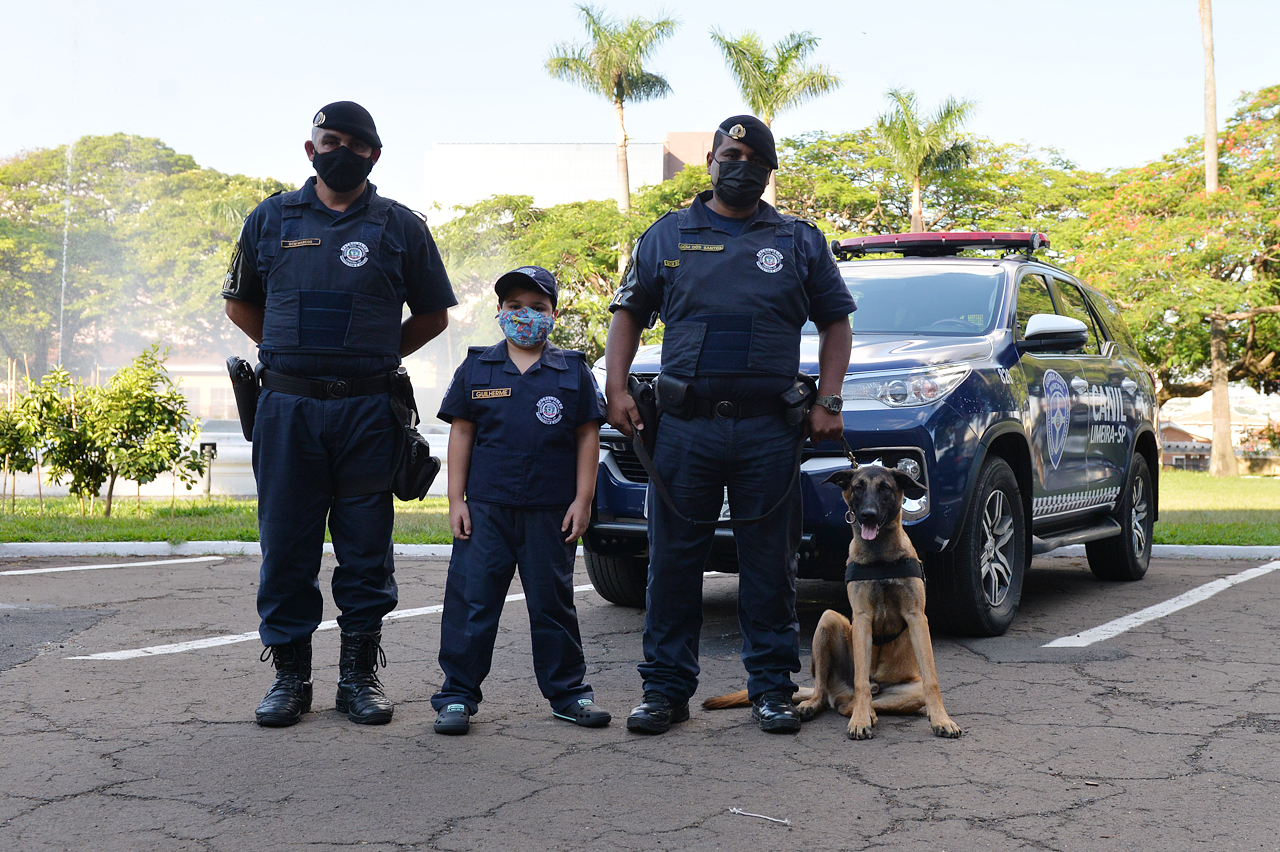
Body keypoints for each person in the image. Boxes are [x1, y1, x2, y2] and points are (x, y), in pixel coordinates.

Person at [604, 115, 855, 734]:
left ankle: (772, 688)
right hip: (686, 429)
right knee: (673, 564)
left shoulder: (798, 241)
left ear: (768, 171)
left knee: (770, 565)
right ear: (710, 161)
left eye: (751, 157)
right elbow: (629, 315)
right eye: (727, 154)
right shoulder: (668, 234)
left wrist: (829, 399)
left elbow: (836, 324)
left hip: (769, 428)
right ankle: (664, 691)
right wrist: (615, 387)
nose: (737, 165)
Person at [223, 101, 456, 728]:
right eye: (332, 140)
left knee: (364, 546)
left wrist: (375, 357)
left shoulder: (400, 226)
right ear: (309, 148)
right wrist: (285, 351)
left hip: (367, 410)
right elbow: (239, 304)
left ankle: (358, 675)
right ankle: (290, 678)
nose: (343, 151)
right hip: (288, 407)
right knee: (288, 543)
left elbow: (433, 316)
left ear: (374, 155)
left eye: (357, 144)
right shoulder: (270, 219)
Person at [430, 265, 611, 735]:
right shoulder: (477, 366)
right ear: (499, 312)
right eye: (514, 307)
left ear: (554, 313)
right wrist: (456, 502)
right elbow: (461, 435)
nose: (525, 316)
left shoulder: (571, 370)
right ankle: (456, 696)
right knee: (473, 601)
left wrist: (583, 501)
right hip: (486, 510)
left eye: (537, 307)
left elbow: (588, 437)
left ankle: (570, 694)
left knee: (552, 604)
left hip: (551, 512)